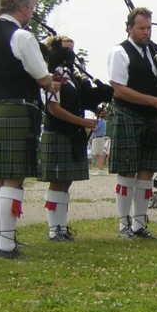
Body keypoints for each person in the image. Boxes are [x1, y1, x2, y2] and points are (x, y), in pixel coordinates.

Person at [0, 0, 60, 259]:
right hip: (18, 109)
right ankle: (7, 245)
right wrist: (54, 85)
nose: (32, 12)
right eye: (31, 7)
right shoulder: (21, 36)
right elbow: (41, 76)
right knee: (12, 178)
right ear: (22, 7)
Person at [108, 7, 157, 239]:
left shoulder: (156, 53)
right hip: (129, 115)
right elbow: (118, 90)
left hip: (151, 119)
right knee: (127, 171)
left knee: (146, 172)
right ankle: (124, 225)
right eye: (142, 28)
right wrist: (153, 101)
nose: (146, 33)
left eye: (149, 28)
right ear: (129, 28)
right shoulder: (119, 53)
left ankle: (139, 225)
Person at [39, 36, 98, 241]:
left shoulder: (72, 76)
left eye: (72, 50)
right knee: (57, 182)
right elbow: (54, 109)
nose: (69, 54)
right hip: (58, 133)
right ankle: (54, 229)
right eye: (65, 49)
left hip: (73, 134)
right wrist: (83, 123)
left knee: (67, 182)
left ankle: (61, 227)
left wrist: (96, 108)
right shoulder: (50, 75)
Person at [90, 105, 109, 176]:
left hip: (98, 138)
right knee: (97, 154)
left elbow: (95, 129)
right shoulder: (100, 121)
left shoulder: (101, 121)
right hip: (97, 138)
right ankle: (99, 169)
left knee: (99, 154)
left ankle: (100, 170)